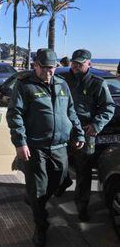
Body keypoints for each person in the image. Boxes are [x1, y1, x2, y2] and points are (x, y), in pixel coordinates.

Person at [6, 48, 85, 247]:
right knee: (39, 190)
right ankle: (41, 227)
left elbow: (71, 112)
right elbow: (15, 115)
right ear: (36, 65)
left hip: (60, 146)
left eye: (53, 68)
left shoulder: (62, 84)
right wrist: (20, 142)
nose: (49, 72)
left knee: (61, 181)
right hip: (36, 147)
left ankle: (33, 197)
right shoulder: (25, 85)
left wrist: (78, 133)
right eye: (45, 68)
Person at [57, 49, 115, 221]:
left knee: (84, 171)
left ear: (89, 64)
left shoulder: (97, 83)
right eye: (74, 62)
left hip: (85, 132)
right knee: (59, 163)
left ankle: (82, 206)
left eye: (80, 63)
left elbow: (108, 107)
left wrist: (97, 125)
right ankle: (64, 181)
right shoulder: (62, 80)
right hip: (63, 130)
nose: (75, 66)